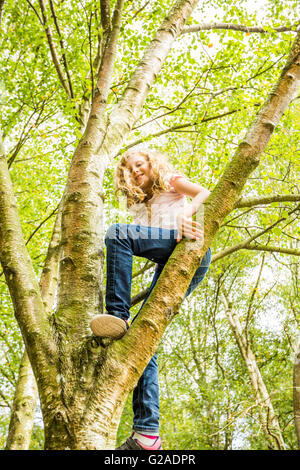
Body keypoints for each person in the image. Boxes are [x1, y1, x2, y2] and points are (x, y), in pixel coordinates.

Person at [90, 148, 211, 450]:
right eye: (129, 170)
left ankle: (118, 314)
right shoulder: (141, 205)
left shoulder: (170, 180)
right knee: (144, 336)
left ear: (151, 164)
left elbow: (204, 192)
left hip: (189, 248)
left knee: (117, 234)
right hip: (169, 260)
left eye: (139, 165)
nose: (135, 171)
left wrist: (187, 216)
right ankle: (147, 435)